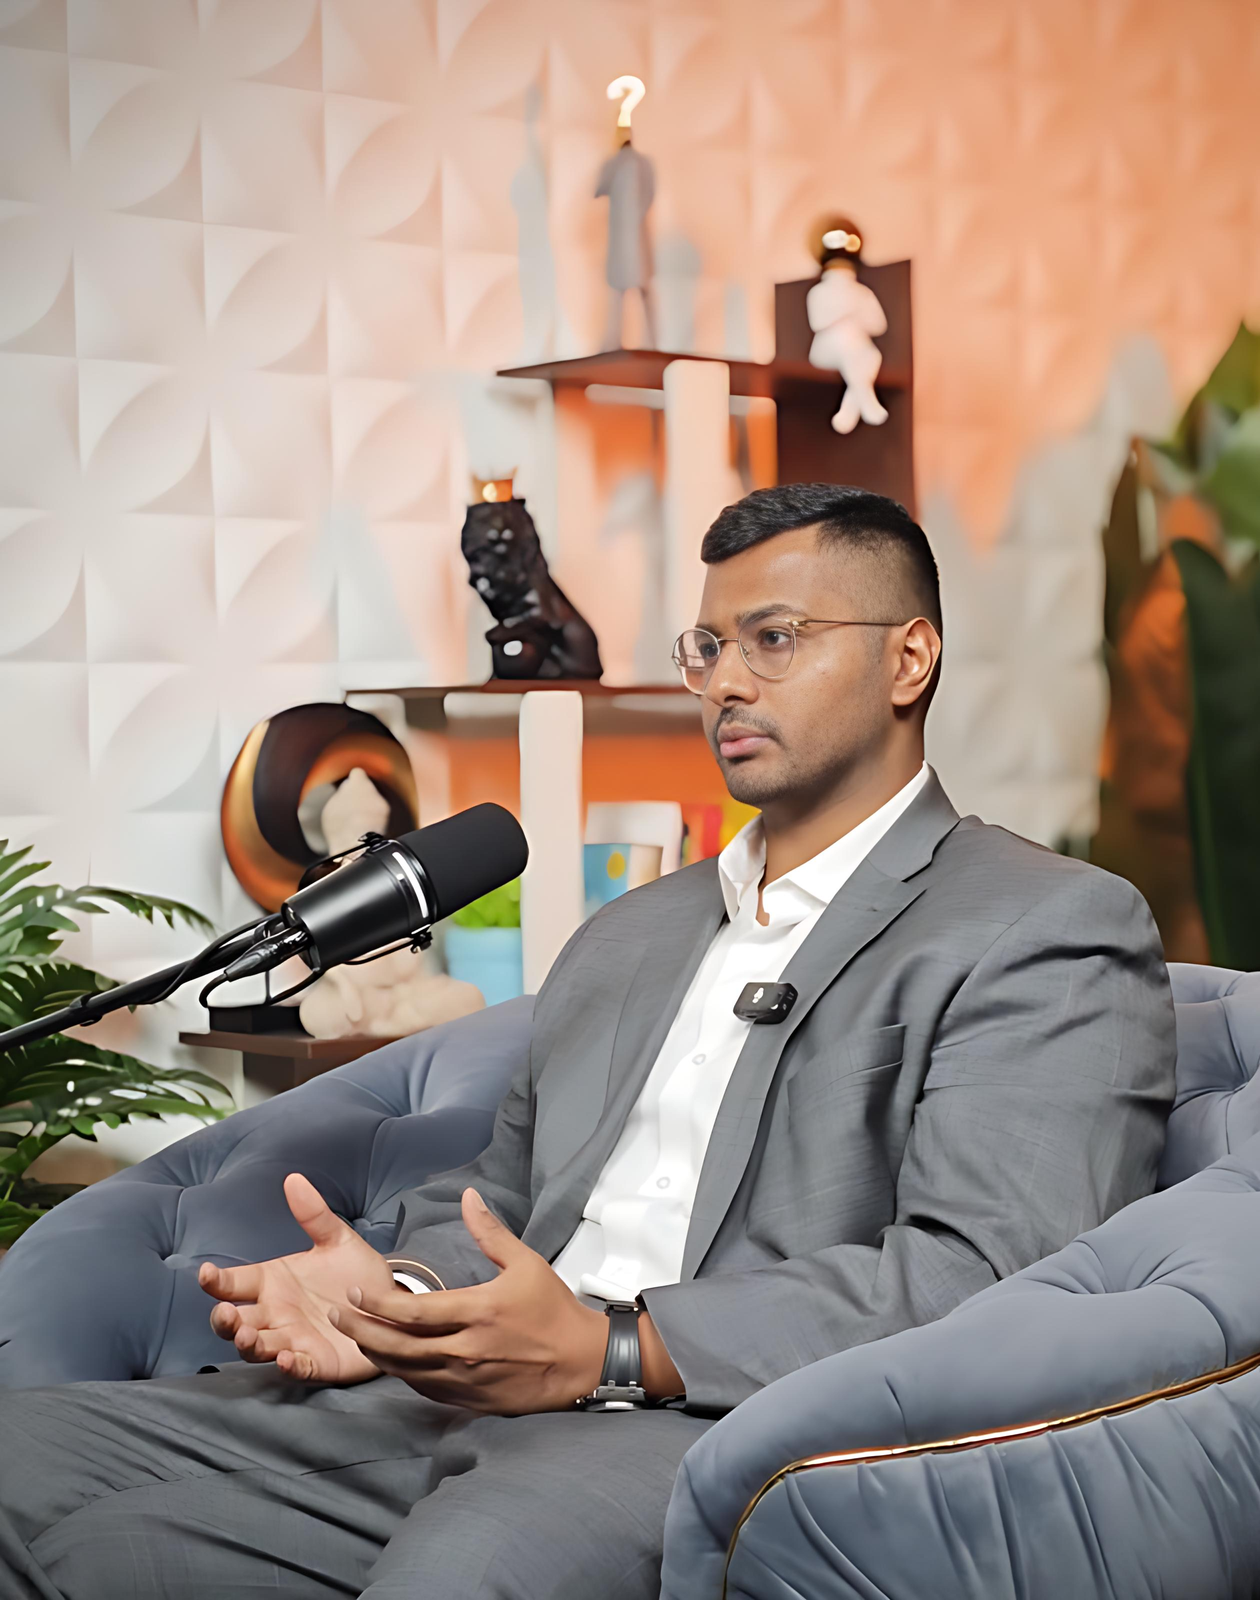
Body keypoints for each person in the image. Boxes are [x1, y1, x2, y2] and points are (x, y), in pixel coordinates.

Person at [0, 484, 1176, 1600]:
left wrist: (615, 1348)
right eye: (706, 648)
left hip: (704, 1429)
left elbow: (986, 1277)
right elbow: (502, 1193)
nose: (725, 682)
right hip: (446, 1395)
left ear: (908, 658)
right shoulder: (630, 931)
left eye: (774, 638)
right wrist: (400, 1294)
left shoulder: (1044, 922)